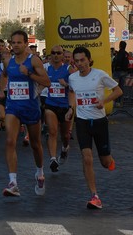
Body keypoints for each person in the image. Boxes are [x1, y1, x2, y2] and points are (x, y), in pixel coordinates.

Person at [66, 46, 121, 209]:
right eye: (76, 61)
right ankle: (94, 195)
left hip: (99, 122)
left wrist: (103, 102)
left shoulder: (99, 75)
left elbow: (118, 91)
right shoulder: (73, 78)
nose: (80, 64)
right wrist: (71, 108)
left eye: (82, 60)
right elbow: (71, 92)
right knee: (87, 158)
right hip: (82, 122)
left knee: (105, 162)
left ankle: (109, 160)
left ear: (89, 60)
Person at [0, 30, 50, 197]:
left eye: (19, 42)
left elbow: (47, 82)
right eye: (13, 42)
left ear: (26, 44)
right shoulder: (8, 61)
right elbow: (4, 76)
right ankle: (13, 182)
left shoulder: (33, 60)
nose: (15, 45)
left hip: (30, 107)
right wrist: (2, 89)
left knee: (35, 144)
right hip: (13, 106)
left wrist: (28, 73)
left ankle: (40, 172)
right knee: (9, 141)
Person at [43, 46, 73, 173]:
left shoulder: (69, 69)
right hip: (51, 104)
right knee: (53, 131)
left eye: (58, 53)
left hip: (65, 107)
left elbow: (76, 86)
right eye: (53, 53)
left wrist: (65, 84)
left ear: (62, 55)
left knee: (65, 135)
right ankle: (53, 159)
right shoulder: (46, 68)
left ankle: (65, 147)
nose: (56, 55)